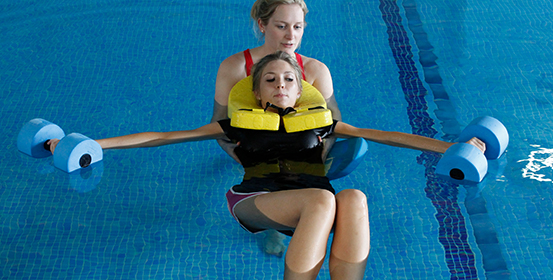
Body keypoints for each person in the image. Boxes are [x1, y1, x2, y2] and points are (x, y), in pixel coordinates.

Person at [49, 52, 485, 280]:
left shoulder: (325, 122)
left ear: (301, 90)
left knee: (352, 196)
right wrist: (94, 144)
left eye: (289, 80)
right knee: (321, 198)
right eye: (271, 80)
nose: (280, 84)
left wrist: (455, 146)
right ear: (257, 94)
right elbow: (162, 137)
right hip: (255, 203)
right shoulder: (235, 124)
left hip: (314, 208)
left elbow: (391, 136)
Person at [212, 0, 339, 256]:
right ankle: (273, 226)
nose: (291, 36)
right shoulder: (235, 68)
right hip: (256, 152)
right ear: (262, 24)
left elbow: (332, 123)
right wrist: (244, 157)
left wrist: (316, 157)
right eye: (281, 26)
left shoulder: (315, 70)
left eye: (298, 26)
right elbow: (219, 125)